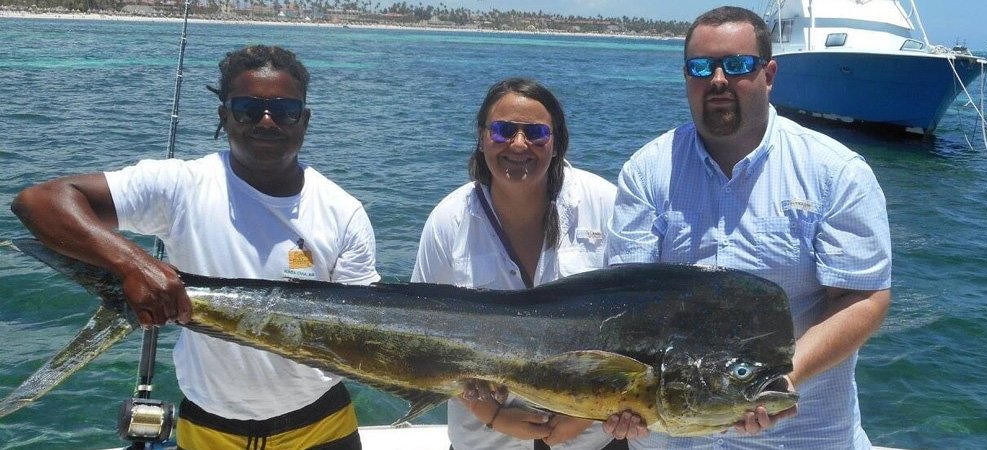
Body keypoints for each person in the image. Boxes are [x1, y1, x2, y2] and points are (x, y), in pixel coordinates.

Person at [11, 45, 378, 450]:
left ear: (304, 121)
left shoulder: (343, 211)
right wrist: (133, 265)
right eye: (247, 108)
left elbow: (361, 333)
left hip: (321, 427)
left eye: (285, 109)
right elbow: (38, 202)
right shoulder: (181, 186)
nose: (267, 121)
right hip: (209, 430)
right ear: (224, 116)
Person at [604, 6, 892, 450]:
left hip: (802, 435)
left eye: (737, 65)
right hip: (674, 434)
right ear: (686, 78)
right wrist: (620, 398)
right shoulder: (647, 172)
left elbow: (864, 297)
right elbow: (627, 299)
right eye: (700, 67)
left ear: (769, 74)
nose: (717, 79)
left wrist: (776, 378)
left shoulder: (836, 172)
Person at [411, 78, 625, 450]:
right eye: (503, 130)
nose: (519, 144)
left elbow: (634, 328)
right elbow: (421, 338)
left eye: (537, 133)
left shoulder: (605, 205)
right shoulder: (449, 220)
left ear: (556, 142)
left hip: (593, 441)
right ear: (482, 138)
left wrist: (585, 414)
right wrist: (489, 414)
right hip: (484, 441)